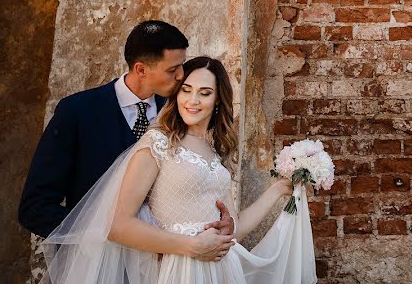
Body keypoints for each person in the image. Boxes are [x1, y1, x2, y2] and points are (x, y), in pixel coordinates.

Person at [43, 56, 316, 283]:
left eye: (205, 93)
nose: (193, 100)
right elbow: (117, 224)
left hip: (221, 270)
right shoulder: (158, 142)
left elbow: (234, 230)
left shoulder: (216, 151)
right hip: (180, 269)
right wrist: (191, 246)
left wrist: (278, 189)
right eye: (186, 90)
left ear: (218, 99)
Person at [19, 20, 232, 259]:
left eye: (182, 66)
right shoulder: (77, 112)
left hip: (163, 268)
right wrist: (105, 235)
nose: (182, 76)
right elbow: (34, 208)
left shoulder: (179, 112)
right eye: (173, 70)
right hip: (94, 264)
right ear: (141, 69)